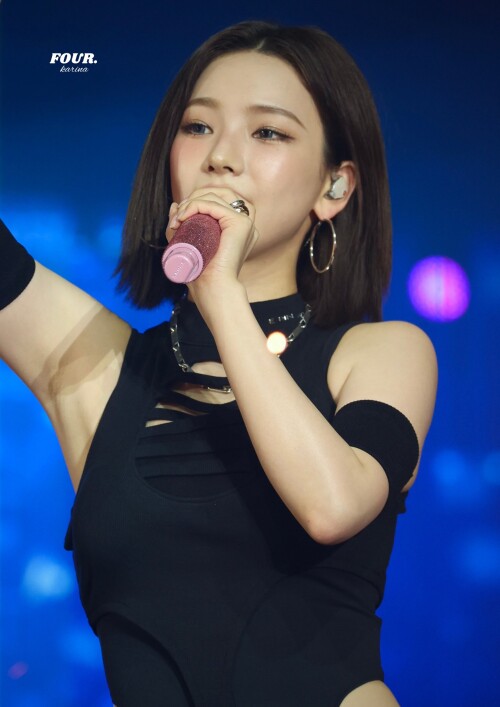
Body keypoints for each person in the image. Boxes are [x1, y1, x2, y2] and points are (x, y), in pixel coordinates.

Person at [0, 20, 437, 707]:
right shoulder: (106, 370)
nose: (222, 157)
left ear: (335, 187)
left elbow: (333, 505)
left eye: (269, 132)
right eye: (199, 127)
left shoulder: (383, 351)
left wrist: (221, 291)